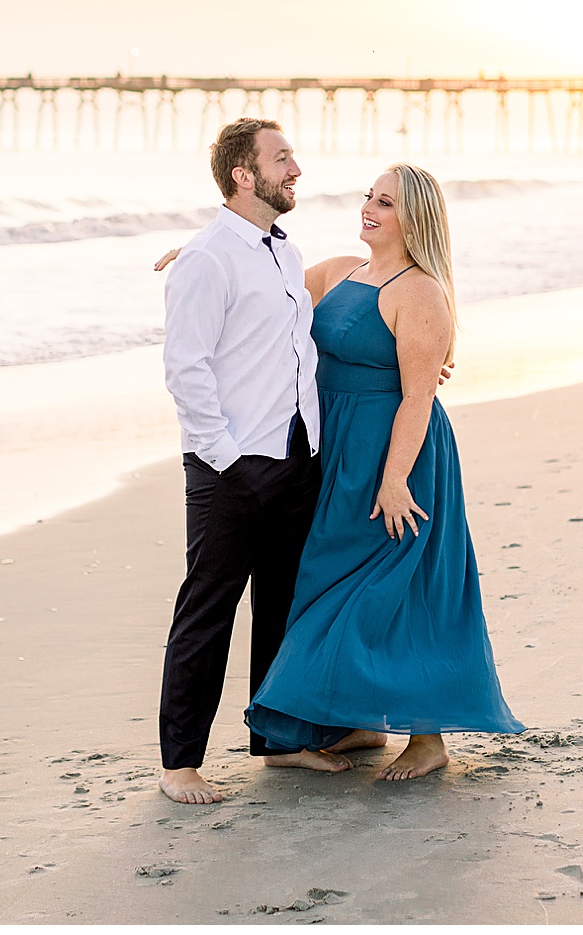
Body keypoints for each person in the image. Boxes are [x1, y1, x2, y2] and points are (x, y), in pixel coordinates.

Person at [243, 162, 523, 779]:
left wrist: (395, 479)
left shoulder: (420, 291)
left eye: (387, 203)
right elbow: (267, 280)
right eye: (370, 196)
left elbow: (419, 396)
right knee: (329, 576)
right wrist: (206, 253)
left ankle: (428, 738)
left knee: (401, 584)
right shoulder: (343, 271)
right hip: (336, 446)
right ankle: (364, 723)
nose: (369, 207)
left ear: (414, 217)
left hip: (396, 453)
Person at [156, 117, 353, 806]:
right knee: (208, 611)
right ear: (245, 173)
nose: (296, 168)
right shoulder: (207, 258)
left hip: (296, 459)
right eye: (282, 157)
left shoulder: (279, 251)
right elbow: (186, 370)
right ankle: (179, 763)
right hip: (232, 469)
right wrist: (226, 459)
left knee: (281, 609)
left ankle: (278, 741)